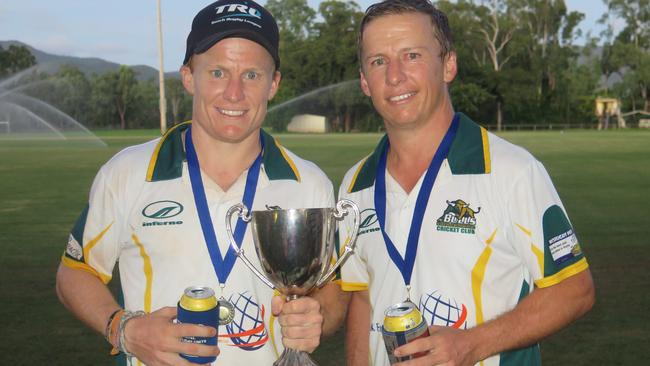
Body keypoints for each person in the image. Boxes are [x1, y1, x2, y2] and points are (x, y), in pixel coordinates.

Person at [55, 1, 345, 365]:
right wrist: (121, 328)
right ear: (189, 76)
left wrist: (317, 315)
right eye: (218, 73)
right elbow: (74, 272)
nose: (235, 93)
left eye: (252, 75)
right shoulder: (127, 172)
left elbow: (332, 288)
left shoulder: (309, 183)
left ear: (274, 84)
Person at [337, 0, 596, 365]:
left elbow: (575, 289)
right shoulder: (354, 186)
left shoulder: (511, 171)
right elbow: (363, 298)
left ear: (448, 65)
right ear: (364, 80)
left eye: (412, 55)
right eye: (378, 61)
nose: (394, 76)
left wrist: (471, 344)